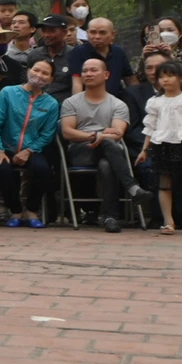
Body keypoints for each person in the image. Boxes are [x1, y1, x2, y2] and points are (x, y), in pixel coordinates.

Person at [60, 58, 148, 233]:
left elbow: (118, 132)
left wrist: (104, 137)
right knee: (108, 143)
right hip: (82, 150)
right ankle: (132, 187)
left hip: (111, 152)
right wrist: (96, 136)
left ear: (106, 75)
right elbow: (68, 132)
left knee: (107, 164)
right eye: (85, 71)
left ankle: (109, 217)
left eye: (93, 70)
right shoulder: (71, 102)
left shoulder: (118, 104)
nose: (88, 74)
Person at [0, 60, 60, 229]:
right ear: (28, 71)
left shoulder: (51, 104)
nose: (39, 75)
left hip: (32, 148)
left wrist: (29, 150)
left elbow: (47, 133)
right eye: (36, 70)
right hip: (5, 147)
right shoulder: (8, 93)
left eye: (45, 73)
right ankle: (16, 211)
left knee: (43, 170)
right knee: (2, 168)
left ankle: (32, 210)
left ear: (50, 79)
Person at [138, 62, 182, 236]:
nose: (165, 80)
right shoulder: (155, 102)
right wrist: (144, 150)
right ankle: (168, 222)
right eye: (162, 76)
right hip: (163, 145)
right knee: (164, 185)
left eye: (170, 76)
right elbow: (150, 127)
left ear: (181, 78)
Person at [66, 18, 131, 93]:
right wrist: (78, 103)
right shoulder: (77, 52)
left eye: (102, 33)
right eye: (93, 32)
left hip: (116, 100)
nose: (97, 37)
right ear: (87, 33)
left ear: (113, 34)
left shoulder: (118, 52)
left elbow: (129, 79)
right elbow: (77, 82)